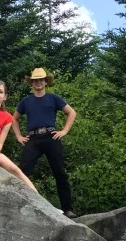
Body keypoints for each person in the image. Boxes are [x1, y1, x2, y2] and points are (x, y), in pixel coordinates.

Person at [12, 68, 77, 217]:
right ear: (32, 83)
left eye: (41, 80)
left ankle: (68, 209)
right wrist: (19, 136)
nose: (38, 83)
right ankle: (18, 204)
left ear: (46, 81)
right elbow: (14, 118)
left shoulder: (53, 98)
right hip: (33, 139)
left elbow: (72, 112)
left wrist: (64, 131)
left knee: (60, 172)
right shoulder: (26, 101)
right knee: (23, 171)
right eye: (35, 80)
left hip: (51, 137)